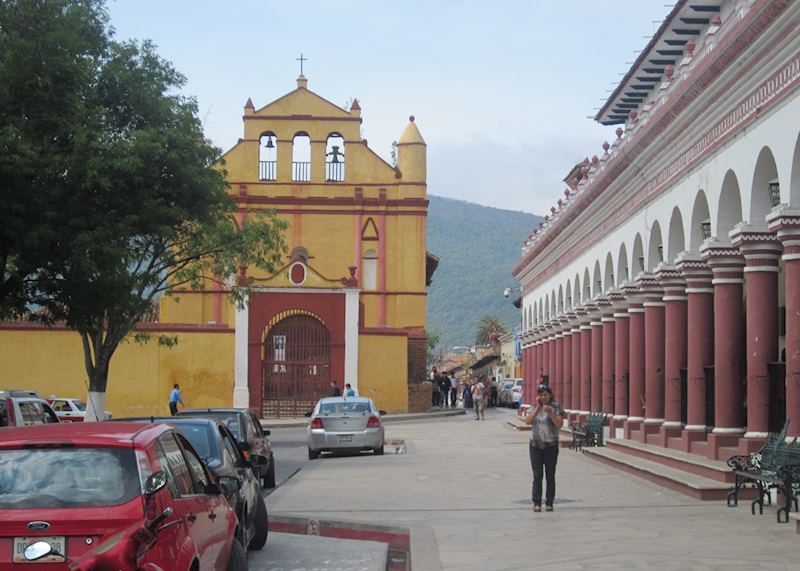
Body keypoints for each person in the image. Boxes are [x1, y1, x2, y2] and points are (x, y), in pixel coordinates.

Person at [524, 383, 565, 512]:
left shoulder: (556, 407)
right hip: (535, 445)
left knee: (550, 475)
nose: (543, 397)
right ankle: (536, 502)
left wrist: (551, 413)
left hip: (551, 445)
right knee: (537, 475)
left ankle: (549, 502)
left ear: (550, 395)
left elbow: (559, 425)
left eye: (545, 395)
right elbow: (528, 421)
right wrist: (537, 408)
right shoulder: (533, 407)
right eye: (541, 395)